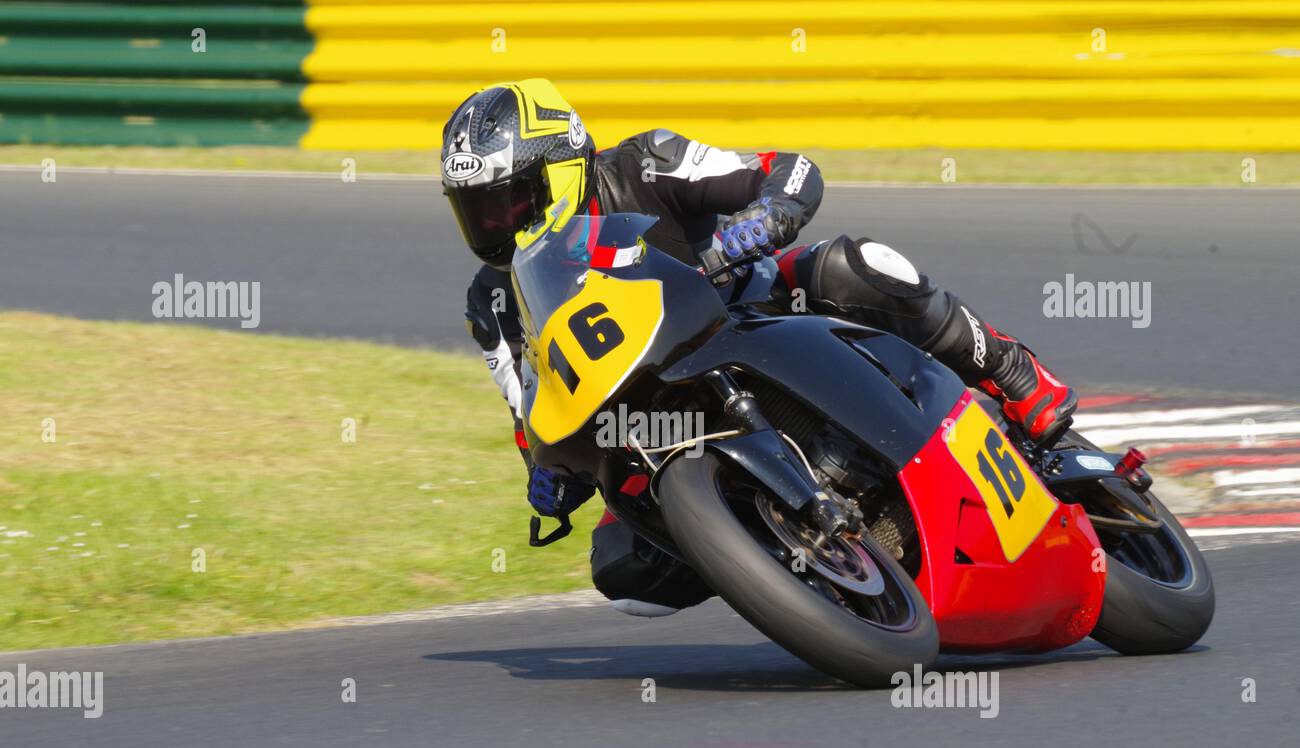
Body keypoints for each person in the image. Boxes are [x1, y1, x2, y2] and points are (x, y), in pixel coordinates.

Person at [443, 78, 1078, 615]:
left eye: (508, 202)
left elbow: (787, 170)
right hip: (655, 415)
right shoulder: (492, 301)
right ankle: (789, 567)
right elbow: (529, 410)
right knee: (620, 566)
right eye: (478, 212)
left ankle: (1010, 372)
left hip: (756, 312)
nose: (495, 226)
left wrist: (767, 215)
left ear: (559, 171)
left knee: (855, 265)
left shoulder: (645, 162)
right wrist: (548, 477)